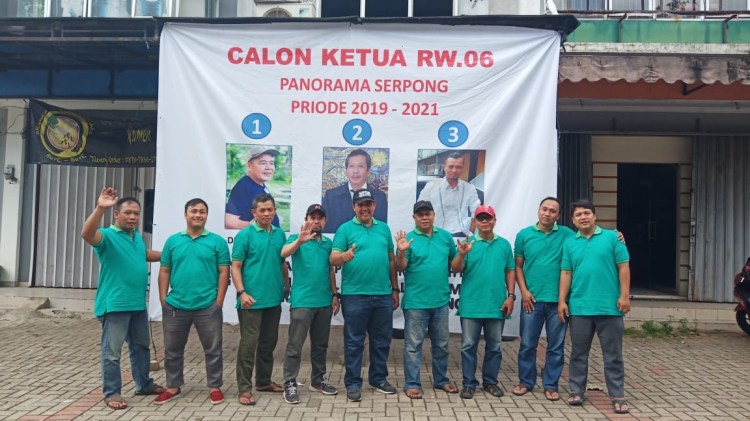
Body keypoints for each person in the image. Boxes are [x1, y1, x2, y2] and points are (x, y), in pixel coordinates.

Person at [81, 187, 164, 410]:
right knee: (112, 353)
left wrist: (171, 254)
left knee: (141, 347)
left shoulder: (135, 237)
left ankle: (144, 384)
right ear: (116, 214)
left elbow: (144, 255)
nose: (133, 217)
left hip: (137, 303)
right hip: (115, 305)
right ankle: (112, 393)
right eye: (128, 213)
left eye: (136, 213)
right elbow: (87, 234)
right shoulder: (106, 236)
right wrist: (100, 207)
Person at [557, 200, 631, 414]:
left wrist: (624, 296)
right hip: (580, 308)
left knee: (613, 355)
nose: (583, 217)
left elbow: (623, 267)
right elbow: (566, 273)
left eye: (587, 213)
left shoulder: (612, 238)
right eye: (578, 214)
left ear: (595, 216)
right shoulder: (569, 243)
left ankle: (617, 395)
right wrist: (562, 301)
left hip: (610, 307)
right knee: (578, 354)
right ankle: (576, 391)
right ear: (573, 220)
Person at [155, 198, 230, 405]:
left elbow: (224, 272)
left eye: (202, 211)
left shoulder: (217, 242)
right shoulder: (173, 241)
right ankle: (173, 386)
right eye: (193, 211)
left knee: (213, 349)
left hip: (207, 305)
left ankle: (214, 387)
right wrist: (163, 299)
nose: (198, 214)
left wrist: (219, 301)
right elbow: (165, 270)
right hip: (176, 305)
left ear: (207, 215)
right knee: (172, 350)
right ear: (185, 214)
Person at [330, 189, 399, 402]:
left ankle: (378, 379)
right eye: (360, 204)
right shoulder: (345, 229)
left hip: (383, 295)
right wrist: (344, 256)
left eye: (368, 204)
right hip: (354, 296)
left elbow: (391, 260)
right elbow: (333, 258)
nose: (364, 208)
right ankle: (353, 383)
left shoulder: (384, 229)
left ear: (374, 206)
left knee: (381, 341)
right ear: (354, 207)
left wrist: (395, 289)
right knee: (354, 342)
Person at [394, 200, 459, 399]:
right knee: (413, 347)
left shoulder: (445, 237)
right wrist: (401, 251)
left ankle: (441, 380)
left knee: (442, 345)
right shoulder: (408, 239)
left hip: (440, 301)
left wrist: (462, 254)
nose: (424, 217)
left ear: (433, 215)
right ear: (414, 217)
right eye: (420, 214)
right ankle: (412, 384)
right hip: (416, 303)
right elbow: (400, 267)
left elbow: (456, 266)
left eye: (427, 214)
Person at [512, 197, 574, 401]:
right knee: (527, 344)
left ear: (558, 215)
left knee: (556, 346)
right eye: (544, 209)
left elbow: (588, 235)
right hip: (532, 300)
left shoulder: (567, 234)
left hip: (558, 301)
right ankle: (525, 382)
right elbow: (518, 266)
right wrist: (524, 291)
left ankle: (551, 385)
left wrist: (615, 235)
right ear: (538, 210)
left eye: (552, 211)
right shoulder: (524, 235)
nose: (547, 213)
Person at [450, 205, 515, 400]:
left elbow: (510, 270)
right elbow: (456, 268)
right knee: (468, 346)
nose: (485, 221)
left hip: (496, 304)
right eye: (481, 218)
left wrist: (511, 296)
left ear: (495, 220)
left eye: (488, 218)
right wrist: (462, 254)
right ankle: (469, 384)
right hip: (471, 305)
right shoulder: (468, 244)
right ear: (475, 222)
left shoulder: (504, 245)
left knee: (494, 347)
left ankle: (490, 382)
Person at [231, 193, 289, 406]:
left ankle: (263, 382)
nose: (266, 213)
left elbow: (282, 263)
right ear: (253, 212)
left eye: (270, 209)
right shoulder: (244, 235)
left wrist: (286, 285)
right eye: (262, 210)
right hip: (251, 300)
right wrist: (241, 292)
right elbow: (235, 266)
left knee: (268, 343)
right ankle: (244, 389)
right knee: (248, 345)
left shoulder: (279, 234)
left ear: (275, 211)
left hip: (273, 299)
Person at [280, 204, 340, 404]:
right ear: (306, 219)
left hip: (324, 301)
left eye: (320, 218)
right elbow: (283, 253)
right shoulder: (296, 238)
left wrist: (335, 294)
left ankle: (318, 380)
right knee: (295, 345)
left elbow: (330, 270)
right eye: (312, 217)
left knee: (320, 345)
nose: (316, 221)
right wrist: (299, 240)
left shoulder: (328, 243)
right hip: (302, 302)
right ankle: (289, 382)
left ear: (325, 221)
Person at [322, 149, 388, 233]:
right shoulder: (331, 196)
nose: (355, 171)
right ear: (346, 170)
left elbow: (382, 228)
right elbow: (326, 228)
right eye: (351, 166)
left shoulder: (379, 197)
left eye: (360, 166)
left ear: (368, 171)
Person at [417, 152, 481, 236]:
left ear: (462, 168)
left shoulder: (469, 188)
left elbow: (477, 211)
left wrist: (472, 231)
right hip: (437, 233)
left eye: (458, 167)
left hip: (462, 233)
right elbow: (420, 209)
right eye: (451, 166)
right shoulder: (431, 187)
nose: (454, 170)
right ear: (444, 167)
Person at [225, 146, 280, 229]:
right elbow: (228, 220)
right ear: (249, 165)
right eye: (263, 163)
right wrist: (253, 226)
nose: (268, 167)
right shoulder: (243, 187)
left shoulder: (258, 183)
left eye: (271, 163)